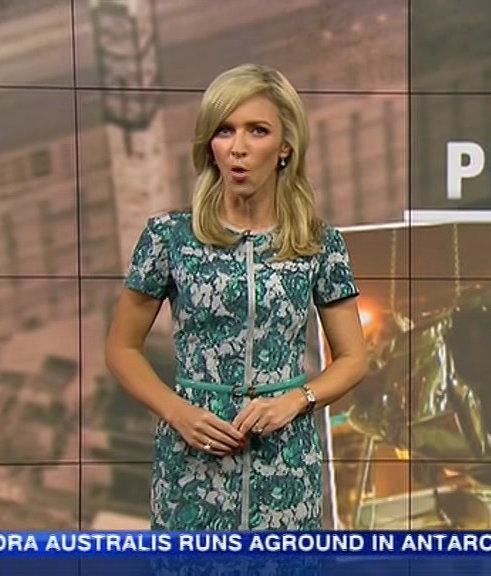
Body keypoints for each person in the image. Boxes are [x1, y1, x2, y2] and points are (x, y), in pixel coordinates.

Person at [104, 63, 368, 531]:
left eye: (257, 131)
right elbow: (122, 349)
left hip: (285, 464)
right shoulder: (168, 237)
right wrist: (178, 412)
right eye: (225, 130)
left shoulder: (318, 243)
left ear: (285, 146)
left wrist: (296, 400)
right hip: (192, 463)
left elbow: (353, 359)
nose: (238, 147)